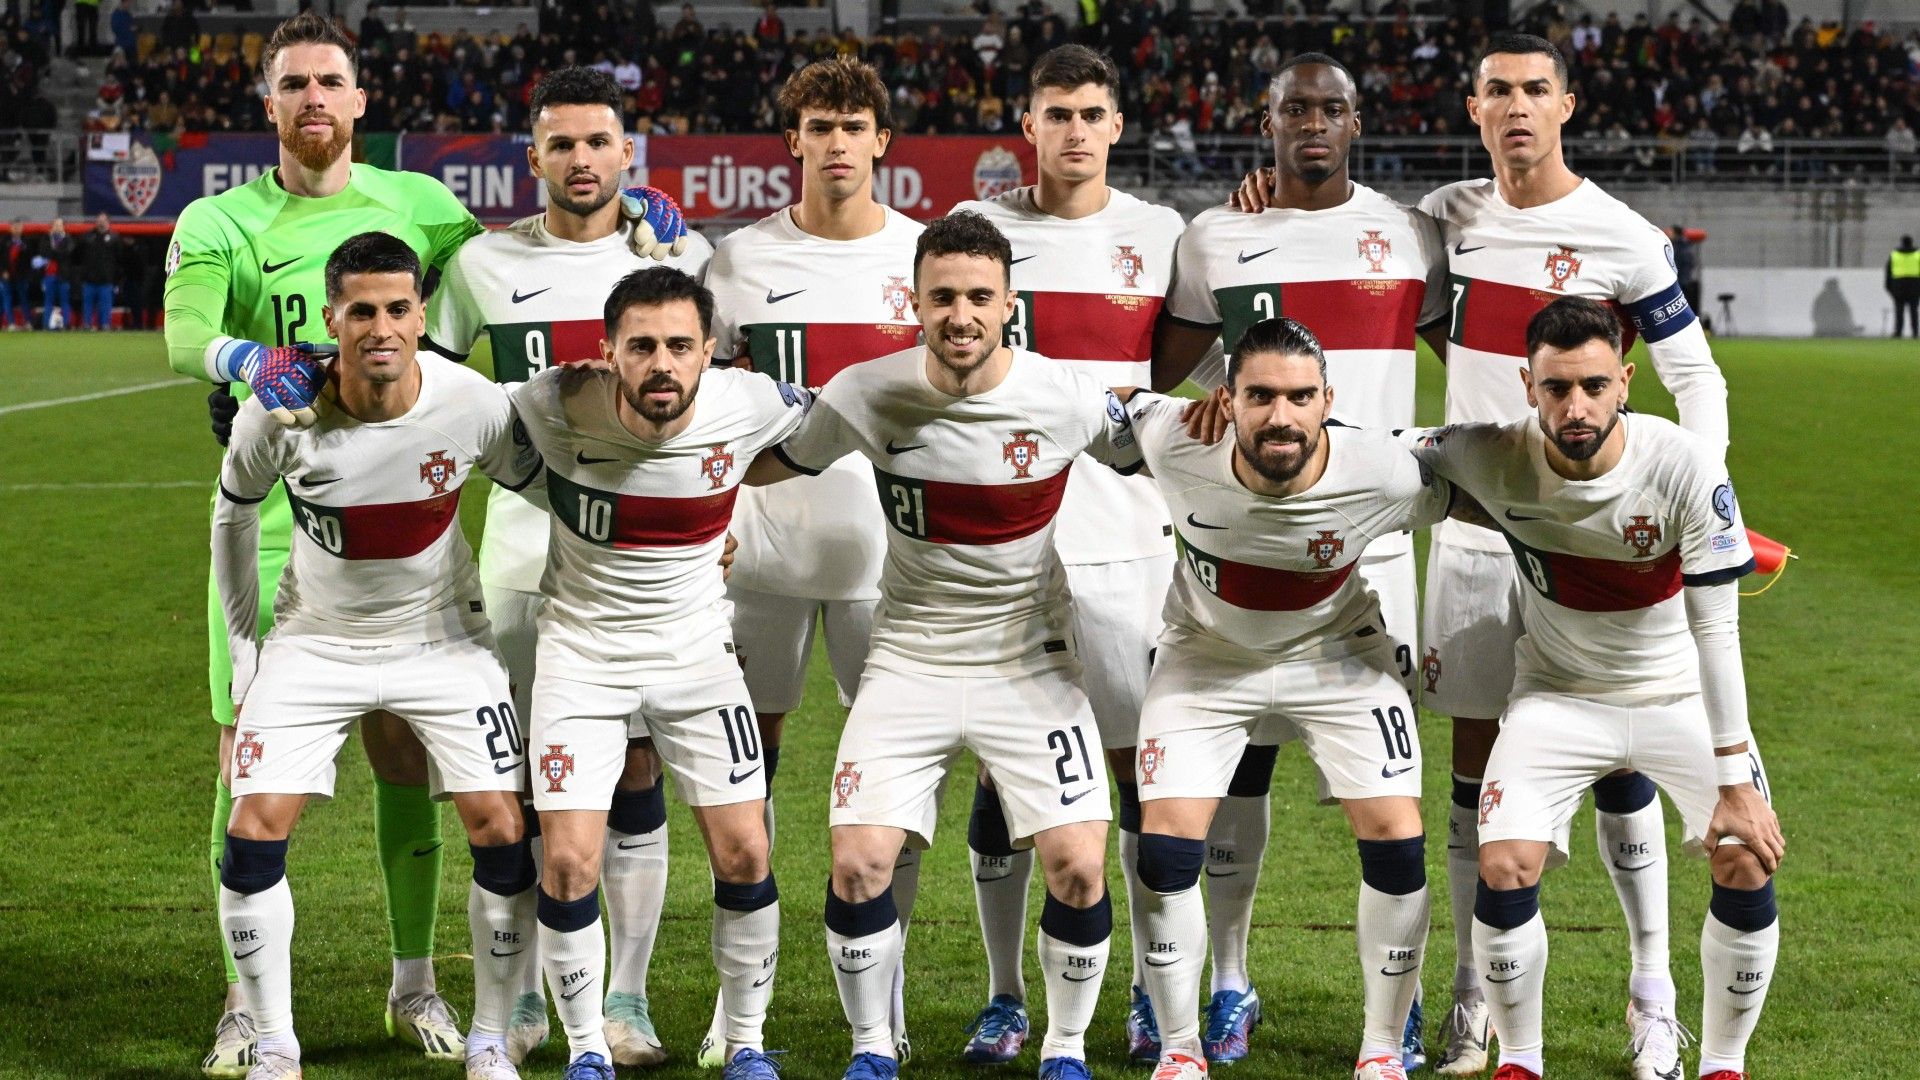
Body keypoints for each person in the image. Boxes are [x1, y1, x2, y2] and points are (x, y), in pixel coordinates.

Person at [743, 210, 1142, 1080]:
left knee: (1077, 864)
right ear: (913, 302)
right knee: (857, 865)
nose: (961, 315)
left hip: (1031, 659)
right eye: (943, 297)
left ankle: (1064, 1050)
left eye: (979, 298)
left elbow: (1164, 448)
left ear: (1009, 304)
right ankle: (871, 1049)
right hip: (909, 659)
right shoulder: (866, 390)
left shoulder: (1063, 397)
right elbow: (777, 460)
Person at [166, 17, 486, 1070]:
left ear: (359, 101)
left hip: (401, 536)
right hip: (269, 534)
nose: (314, 97)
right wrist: (248, 359)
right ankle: (244, 1005)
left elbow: (518, 279)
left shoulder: (422, 207)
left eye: (331, 82)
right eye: (293, 83)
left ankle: (416, 983)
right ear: (270, 104)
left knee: (409, 750)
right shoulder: (221, 217)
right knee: (243, 765)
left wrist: (642, 231)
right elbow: (184, 337)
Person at [1414, 40, 1733, 1078]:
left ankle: (1652, 989)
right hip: (1474, 537)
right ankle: (1471, 998)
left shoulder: (1624, 237)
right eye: (1497, 90)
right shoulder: (1444, 221)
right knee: (1474, 780)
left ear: (1568, 104)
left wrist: (1699, 506)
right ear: (1473, 105)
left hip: (1593, 543)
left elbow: (1696, 378)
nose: (1516, 107)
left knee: (1622, 760)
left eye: (1534, 91)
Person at [1159, 51, 1449, 1068]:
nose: (1313, 123)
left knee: (1387, 794)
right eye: (1295, 109)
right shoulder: (1215, 236)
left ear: (1358, 117)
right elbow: (1168, 368)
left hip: (1374, 549)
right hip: (1249, 537)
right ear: (1266, 119)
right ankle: (1229, 979)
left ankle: (1397, 1004)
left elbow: (1476, 356)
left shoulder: (1412, 236)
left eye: (1332, 106)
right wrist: (1211, 395)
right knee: (1236, 771)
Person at [421, 64, 713, 1068]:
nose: (581, 161)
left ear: (628, 153)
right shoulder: (481, 267)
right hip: (518, 553)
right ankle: (523, 996)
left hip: (642, 567)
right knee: (516, 791)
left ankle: (623, 999)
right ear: (533, 156)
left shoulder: (678, 258)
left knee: (635, 774)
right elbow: (438, 399)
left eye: (599, 143)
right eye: (561, 144)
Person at [1410, 296, 1781, 1080]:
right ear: (1527, 384)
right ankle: (1521, 1061)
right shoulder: (1489, 452)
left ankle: (1722, 1063)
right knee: (1503, 861)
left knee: (1747, 854)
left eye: (1592, 386)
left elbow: (1717, 632)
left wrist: (1734, 776)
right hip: (1556, 698)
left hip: (1674, 693)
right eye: (1555, 389)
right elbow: (1383, 454)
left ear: (1625, 382)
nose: (1574, 407)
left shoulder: (1682, 464)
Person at [213, 232, 546, 1080]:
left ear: (421, 314)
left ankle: (489, 1038)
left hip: (444, 637)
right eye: (361, 310)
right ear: (331, 318)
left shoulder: (470, 401)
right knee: (253, 830)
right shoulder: (280, 409)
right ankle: (276, 1042)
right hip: (314, 640)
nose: (381, 327)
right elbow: (233, 517)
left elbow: (551, 490)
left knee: (503, 829)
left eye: (398, 308)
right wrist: (246, 654)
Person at [1128, 317, 1454, 1080]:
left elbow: (1494, 478)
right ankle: (1179, 1052)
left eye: (1301, 397)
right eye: (1261, 397)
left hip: (1338, 655)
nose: (1282, 416)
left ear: (1327, 401)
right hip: (1206, 659)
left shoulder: (1384, 471)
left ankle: (1383, 1045)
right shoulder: (1174, 438)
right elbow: (1081, 405)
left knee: (1398, 843)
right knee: (1167, 850)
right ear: (1228, 399)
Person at [948, 43, 1185, 1066]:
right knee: (1006, 774)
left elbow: (1181, 374)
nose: (1076, 131)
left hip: (1126, 540)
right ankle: (1005, 997)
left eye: (1093, 112)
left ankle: (1140, 989)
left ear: (1117, 125)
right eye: (1058, 113)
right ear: (1028, 124)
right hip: (1004, 541)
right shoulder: (979, 235)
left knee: (1138, 772)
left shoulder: (1162, 236)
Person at [510, 266, 803, 1080]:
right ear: (606, 352)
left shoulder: (750, 403)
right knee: (568, 861)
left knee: (745, 851)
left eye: (680, 345)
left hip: (698, 658)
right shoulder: (550, 401)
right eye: (641, 347)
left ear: (711, 351)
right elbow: (447, 413)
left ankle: (744, 1040)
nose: (662, 365)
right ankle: (587, 1048)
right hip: (580, 657)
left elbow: (843, 416)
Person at [700, 54, 924, 1065]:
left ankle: (891, 995)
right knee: (743, 784)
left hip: (891, 563)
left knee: (896, 784)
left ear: (883, 140)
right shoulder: (736, 263)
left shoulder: (926, 258)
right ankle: (734, 1007)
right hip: (761, 560)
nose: (836, 143)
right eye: (818, 126)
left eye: (854, 125)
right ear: (791, 140)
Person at [78, 212, 118, 330]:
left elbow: (118, 259)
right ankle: (87, 324)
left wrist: (115, 277)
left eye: (103, 220)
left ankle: (105, 324)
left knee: (106, 305)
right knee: (87, 305)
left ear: (108, 222)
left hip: (106, 279)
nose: (100, 222)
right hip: (89, 279)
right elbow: (79, 256)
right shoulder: (87, 237)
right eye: (99, 220)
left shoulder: (114, 238)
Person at [41, 217, 74, 329]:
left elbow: (67, 253)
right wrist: (56, 253)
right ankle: (46, 324)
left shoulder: (68, 239)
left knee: (65, 300)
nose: (58, 227)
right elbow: (44, 252)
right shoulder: (47, 239)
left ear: (63, 227)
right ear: (52, 226)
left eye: (60, 225)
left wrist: (54, 252)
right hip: (49, 274)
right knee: (48, 300)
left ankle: (66, 324)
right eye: (56, 225)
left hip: (63, 274)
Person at [1885, 234, 1919, 337]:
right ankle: (1915, 332)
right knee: (1914, 310)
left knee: (1899, 310)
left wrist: (1888, 287)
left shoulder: (1895, 254)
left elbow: (1888, 272)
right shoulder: (1918, 254)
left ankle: (1898, 332)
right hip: (1915, 284)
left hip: (1898, 285)